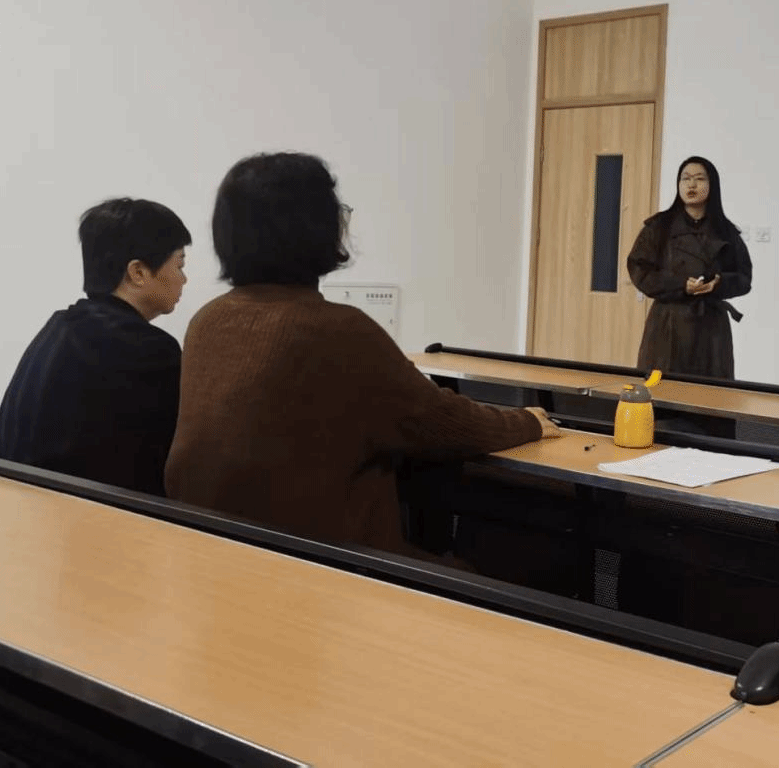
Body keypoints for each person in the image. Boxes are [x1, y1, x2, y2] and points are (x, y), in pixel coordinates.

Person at [165, 151, 560, 558]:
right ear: (315, 227)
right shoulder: (338, 331)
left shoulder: (208, 320)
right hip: (323, 565)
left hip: (216, 552)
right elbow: (445, 423)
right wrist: (527, 421)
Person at [0, 198, 191, 495]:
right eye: (180, 265)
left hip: (15, 508)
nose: (184, 279)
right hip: (83, 519)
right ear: (138, 272)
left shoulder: (59, 327)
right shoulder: (150, 350)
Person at [626, 156, 752, 379]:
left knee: (710, 392)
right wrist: (680, 285)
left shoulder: (726, 231)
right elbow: (639, 269)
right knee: (662, 389)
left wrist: (718, 283)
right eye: (685, 178)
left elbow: (744, 277)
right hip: (668, 323)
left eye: (699, 179)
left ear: (712, 185)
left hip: (711, 328)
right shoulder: (659, 227)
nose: (691, 184)